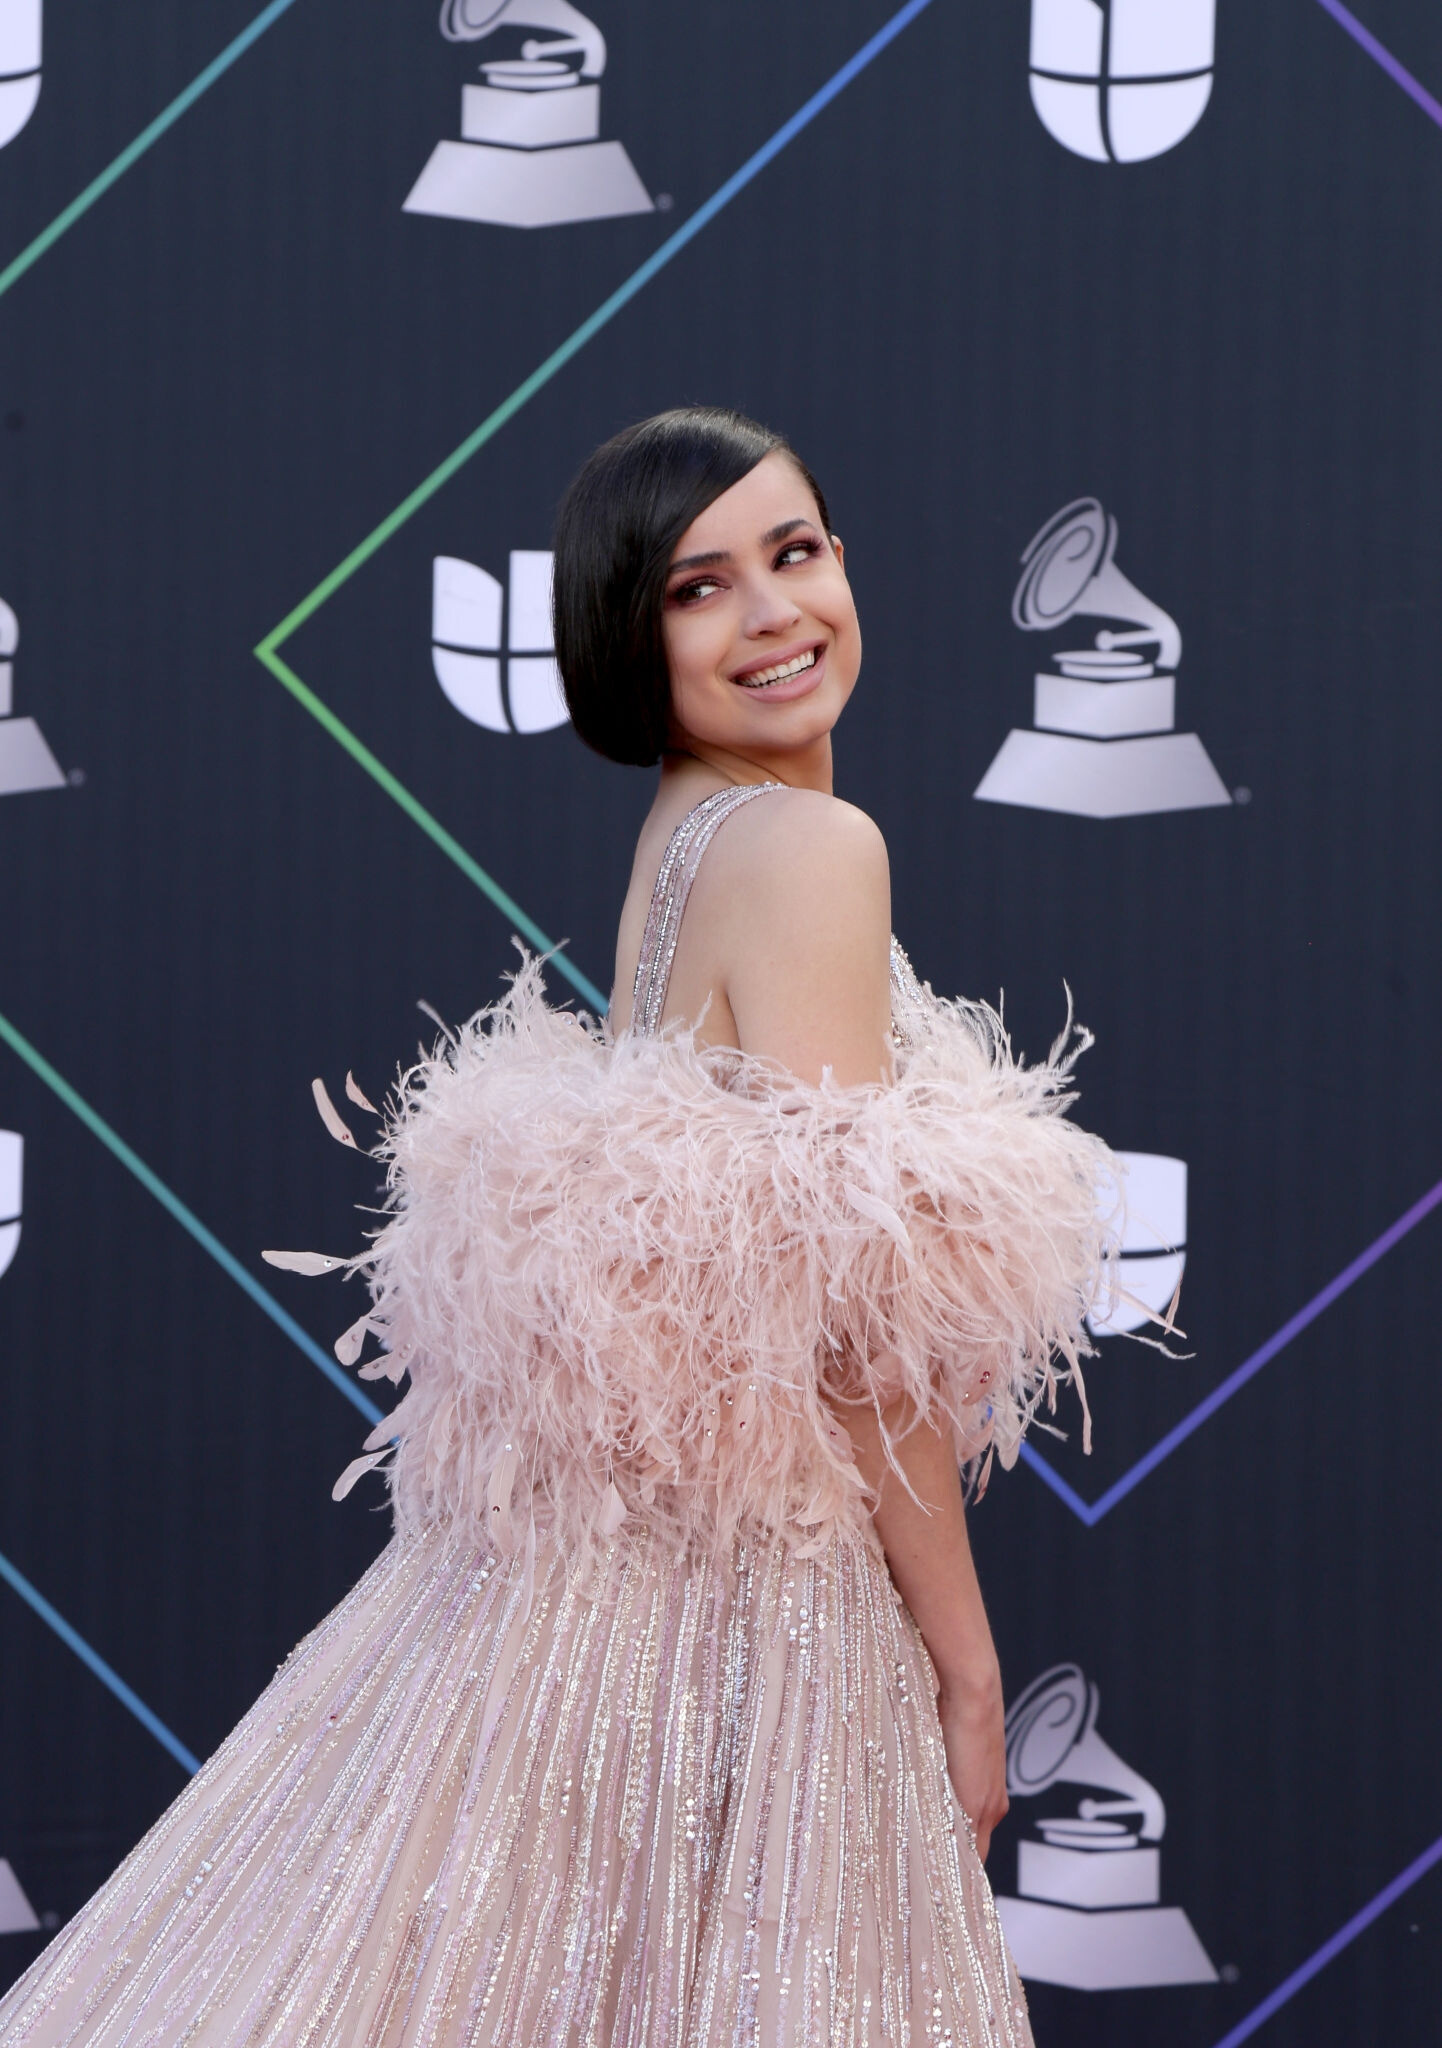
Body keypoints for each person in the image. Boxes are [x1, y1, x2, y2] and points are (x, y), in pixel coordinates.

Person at [0, 408, 1117, 2046]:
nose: (773, 615)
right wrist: (964, 1667)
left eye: (794, 553)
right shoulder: (808, 845)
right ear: (621, 634)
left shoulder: (691, 826)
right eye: (697, 588)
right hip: (757, 1608)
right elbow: (856, 1330)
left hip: (609, 1607)